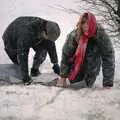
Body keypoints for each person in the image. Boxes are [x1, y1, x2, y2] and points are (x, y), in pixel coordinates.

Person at [56, 12, 115, 88]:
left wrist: (107, 83)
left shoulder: (101, 36)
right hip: (75, 67)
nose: (85, 26)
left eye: (88, 23)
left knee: (81, 87)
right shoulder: (74, 35)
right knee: (65, 86)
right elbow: (66, 55)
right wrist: (63, 76)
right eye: (83, 23)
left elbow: (108, 58)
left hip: (91, 69)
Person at [2, 16, 60, 85]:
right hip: (11, 39)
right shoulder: (26, 34)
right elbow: (22, 55)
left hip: (32, 34)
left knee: (43, 49)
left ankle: (34, 70)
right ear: (44, 32)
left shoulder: (48, 27)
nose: (48, 40)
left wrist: (55, 63)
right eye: (48, 37)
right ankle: (22, 75)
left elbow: (50, 45)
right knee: (18, 66)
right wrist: (25, 77)